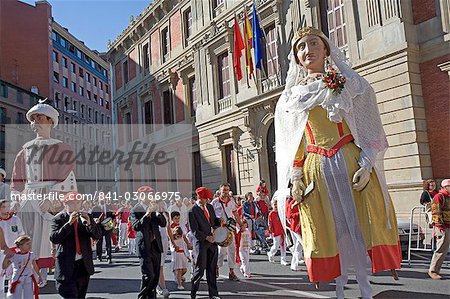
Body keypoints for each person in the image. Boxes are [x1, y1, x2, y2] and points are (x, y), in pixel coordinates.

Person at [274, 26, 401, 298]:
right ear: (296, 57)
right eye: (301, 47)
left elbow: (369, 128)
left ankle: (366, 289)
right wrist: (295, 176)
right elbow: (293, 143)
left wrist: (366, 165)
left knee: (358, 227)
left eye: (313, 43)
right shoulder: (292, 96)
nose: (308, 50)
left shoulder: (349, 83)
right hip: (316, 168)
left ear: (326, 48)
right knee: (329, 231)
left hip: (349, 161)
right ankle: (340, 289)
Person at [10, 100, 77, 287]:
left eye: (39, 118)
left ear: (50, 121)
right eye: (33, 119)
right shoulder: (24, 150)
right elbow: (17, 180)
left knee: (45, 237)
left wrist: (52, 197)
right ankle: (26, 270)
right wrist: (16, 199)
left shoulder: (62, 148)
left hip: (48, 197)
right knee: (25, 234)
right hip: (28, 198)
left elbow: (67, 177)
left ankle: (43, 272)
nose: (35, 122)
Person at [50, 192, 101, 298]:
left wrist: (90, 224)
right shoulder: (58, 219)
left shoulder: (86, 217)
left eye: (78, 203)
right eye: (72, 203)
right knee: (69, 294)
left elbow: (97, 235)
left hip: (83, 265)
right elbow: (54, 238)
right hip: (67, 265)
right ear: (65, 204)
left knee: (81, 295)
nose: (75, 206)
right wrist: (69, 224)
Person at [130, 186, 166, 299]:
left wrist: (159, 213)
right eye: (146, 194)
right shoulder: (136, 209)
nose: (149, 197)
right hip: (144, 246)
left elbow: (163, 224)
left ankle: (152, 297)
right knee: (148, 276)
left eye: (151, 194)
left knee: (155, 277)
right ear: (140, 196)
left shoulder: (154, 207)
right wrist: (147, 214)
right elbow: (136, 226)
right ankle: (142, 297)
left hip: (156, 245)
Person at [188, 187, 221, 299]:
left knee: (212, 270)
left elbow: (213, 221)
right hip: (201, 244)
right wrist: (206, 237)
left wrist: (219, 222)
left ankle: (214, 294)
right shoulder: (192, 211)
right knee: (200, 270)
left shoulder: (210, 207)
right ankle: (193, 293)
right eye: (204, 198)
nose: (206, 200)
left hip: (213, 243)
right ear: (199, 197)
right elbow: (194, 231)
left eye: (207, 198)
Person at [211, 183, 240, 281]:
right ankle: (217, 267)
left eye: (227, 190)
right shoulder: (214, 202)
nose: (226, 192)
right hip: (219, 229)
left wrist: (240, 224)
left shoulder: (232, 201)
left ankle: (231, 271)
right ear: (220, 191)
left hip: (230, 229)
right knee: (221, 251)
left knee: (232, 250)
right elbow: (210, 216)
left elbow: (235, 214)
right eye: (224, 190)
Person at [0, 200, 25, 296]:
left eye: (8, 206)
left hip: (14, 252)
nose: (7, 209)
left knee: (14, 277)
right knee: (1, 277)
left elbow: (21, 234)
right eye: (4, 207)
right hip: (1, 253)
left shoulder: (15, 219)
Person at [428, 179, 450, 280]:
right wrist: (440, 227)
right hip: (443, 227)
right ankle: (433, 271)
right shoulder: (439, 196)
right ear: (445, 187)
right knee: (441, 249)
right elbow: (435, 212)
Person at [91, 198, 115, 263]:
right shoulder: (95, 208)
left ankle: (109, 257)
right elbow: (91, 217)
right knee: (99, 242)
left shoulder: (109, 206)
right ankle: (99, 256)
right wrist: (95, 220)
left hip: (107, 225)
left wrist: (112, 220)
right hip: (99, 226)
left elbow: (113, 216)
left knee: (108, 242)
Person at [267, 198, 288, 265]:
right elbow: (270, 224)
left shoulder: (281, 212)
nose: (276, 206)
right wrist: (271, 231)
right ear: (272, 205)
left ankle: (283, 260)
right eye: (275, 205)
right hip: (275, 232)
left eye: (277, 205)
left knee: (283, 246)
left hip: (282, 231)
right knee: (276, 245)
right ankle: (270, 253)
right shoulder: (271, 214)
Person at [286, 196, 304, 271]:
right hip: (295, 227)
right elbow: (289, 215)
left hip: (300, 227)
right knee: (303, 244)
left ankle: (294, 265)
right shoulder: (292, 203)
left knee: (298, 247)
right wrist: (299, 213)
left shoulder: (302, 202)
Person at [156, 200, 170, 298]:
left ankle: (157, 284)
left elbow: (168, 228)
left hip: (165, 240)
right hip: (157, 240)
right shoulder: (154, 214)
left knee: (161, 264)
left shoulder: (166, 214)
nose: (161, 205)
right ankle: (163, 287)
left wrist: (172, 242)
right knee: (159, 265)